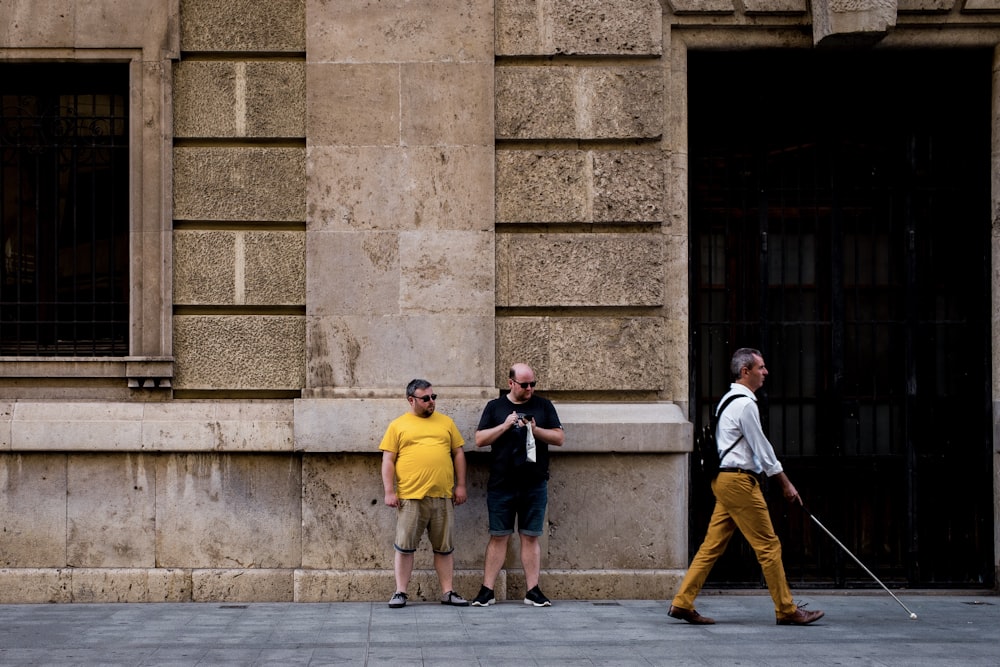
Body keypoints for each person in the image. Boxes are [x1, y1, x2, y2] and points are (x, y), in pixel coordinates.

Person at [668, 348, 825, 626]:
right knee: (768, 545)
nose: (765, 372)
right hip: (739, 481)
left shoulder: (727, 400)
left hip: (724, 480)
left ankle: (682, 602)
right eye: (761, 367)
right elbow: (762, 449)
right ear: (746, 371)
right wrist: (785, 483)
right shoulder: (745, 404)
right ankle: (787, 609)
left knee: (711, 546)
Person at [471, 363, 564, 607]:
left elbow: (559, 437)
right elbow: (479, 439)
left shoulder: (543, 406)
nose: (530, 388)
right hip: (502, 483)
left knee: (530, 537)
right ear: (511, 383)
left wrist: (535, 429)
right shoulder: (495, 407)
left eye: (533, 383)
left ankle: (533, 590)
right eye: (524, 385)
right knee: (498, 536)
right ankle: (487, 590)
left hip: (534, 482)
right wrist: (504, 425)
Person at [380, 379, 469, 608]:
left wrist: (461, 486)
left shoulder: (446, 423)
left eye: (433, 397)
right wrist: (389, 491)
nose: (432, 402)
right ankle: (400, 592)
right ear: (411, 400)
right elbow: (388, 460)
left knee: (444, 548)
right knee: (404, 546)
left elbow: (458, 454)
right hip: (410, 497)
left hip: (442, 496)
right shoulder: (398, 425)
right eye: (426, 398)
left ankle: (448, 592)